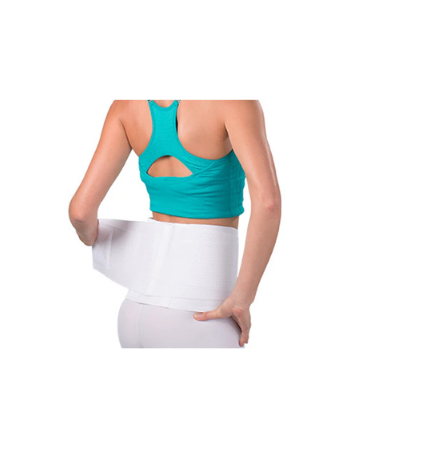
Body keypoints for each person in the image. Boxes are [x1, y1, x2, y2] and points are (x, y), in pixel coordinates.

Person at [69, 100, 281, 348]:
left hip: (133, 313)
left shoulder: (125, 105)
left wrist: (96, 238)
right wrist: (242, 299)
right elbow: (268, 204)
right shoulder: (233, 102)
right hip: (201, 314)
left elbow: (80, 213)